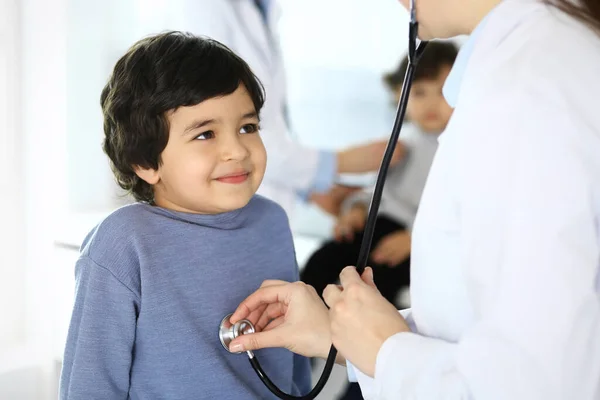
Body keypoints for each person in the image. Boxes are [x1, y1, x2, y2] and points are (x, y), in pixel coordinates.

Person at [226, 0, 600, 398]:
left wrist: (388, 352)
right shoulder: (531, 65)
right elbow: (485, 324)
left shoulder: (527, 89)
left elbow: (536, 382)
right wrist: (336, 335)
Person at [59, 32, 311, 399]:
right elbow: (90, 384)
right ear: (145, 161)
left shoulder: (271, 221)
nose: (236, 150)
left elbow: (295, 358)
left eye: (248, 127)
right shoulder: (124, 242)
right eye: (206, 134)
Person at [301, 41, 458, 400]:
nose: (431, 104)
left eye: (443, 92)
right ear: (399, 94)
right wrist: (354, 210)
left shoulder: (459, 148)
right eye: (419, 92)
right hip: (377, 226)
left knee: (375, 290)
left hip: (415, 242)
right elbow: (375, 192)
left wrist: (412, 238)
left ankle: (352, 374)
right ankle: (306, 350)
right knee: (324, 259)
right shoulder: (403, 144)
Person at [159, 0, 404, 217]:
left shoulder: (263, 8)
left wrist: (310, 189)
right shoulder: (201, 9)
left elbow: (267, 121)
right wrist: (340, 162)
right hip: (227, 213)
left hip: (261, 209)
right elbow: (226, 134)